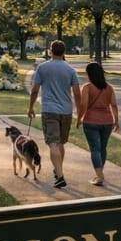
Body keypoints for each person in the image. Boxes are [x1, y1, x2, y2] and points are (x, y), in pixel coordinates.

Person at [28, 40, 82, 189]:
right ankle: (59, 172)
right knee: (60, 144)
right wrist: (80, 112)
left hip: (49, 109)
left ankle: (60, 176)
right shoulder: (70, 70)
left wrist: (30, 108)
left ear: (50, 51)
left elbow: (34, 90)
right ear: (64, 52)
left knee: (53, 144)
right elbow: (77, 94)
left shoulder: (42, 68)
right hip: (66, 111)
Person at [77, 61, 120, 186]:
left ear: (89, 74)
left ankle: (99, 176)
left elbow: (84, 105)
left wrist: (79, 119)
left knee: (95, 149)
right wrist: (116, 121)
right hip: (107, 121)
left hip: (90, 121)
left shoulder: (87, 88)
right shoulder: (109, 88)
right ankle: (99, 172)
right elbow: (114, 105)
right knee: (102, 148)